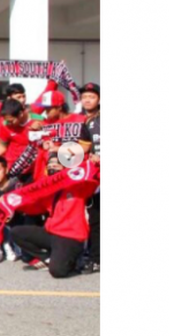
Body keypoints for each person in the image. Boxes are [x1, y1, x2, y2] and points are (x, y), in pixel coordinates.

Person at [9, 157, 97, 278]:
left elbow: (94, 179)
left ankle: (74, 258)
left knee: (57, 272)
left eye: (56, 163)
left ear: (65, 167)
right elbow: (34, 207)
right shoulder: (48, 189)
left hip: (71, 236)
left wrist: (96, 163)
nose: (52, 165)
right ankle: (47, 259)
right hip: (51, 232)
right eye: (50, 164)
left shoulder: (78, 186)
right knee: (16, 232)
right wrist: (10, 206)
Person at [0, 99, 41, 181]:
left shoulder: (38, 119)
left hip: (33, 170)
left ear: (21, 114)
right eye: (6, 120)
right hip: (12, 170)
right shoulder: (5, 125)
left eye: (11, 121)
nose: (8, 123)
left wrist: (41, 129)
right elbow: (2, 147)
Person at [77, 82, 100, 273]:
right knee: (94, 218)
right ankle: (95, 257)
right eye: (85, 96)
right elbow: (83, 148)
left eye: (91, 96)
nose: (87, 100)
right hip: (94, 176)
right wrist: (57, 149)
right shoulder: (83, 121)